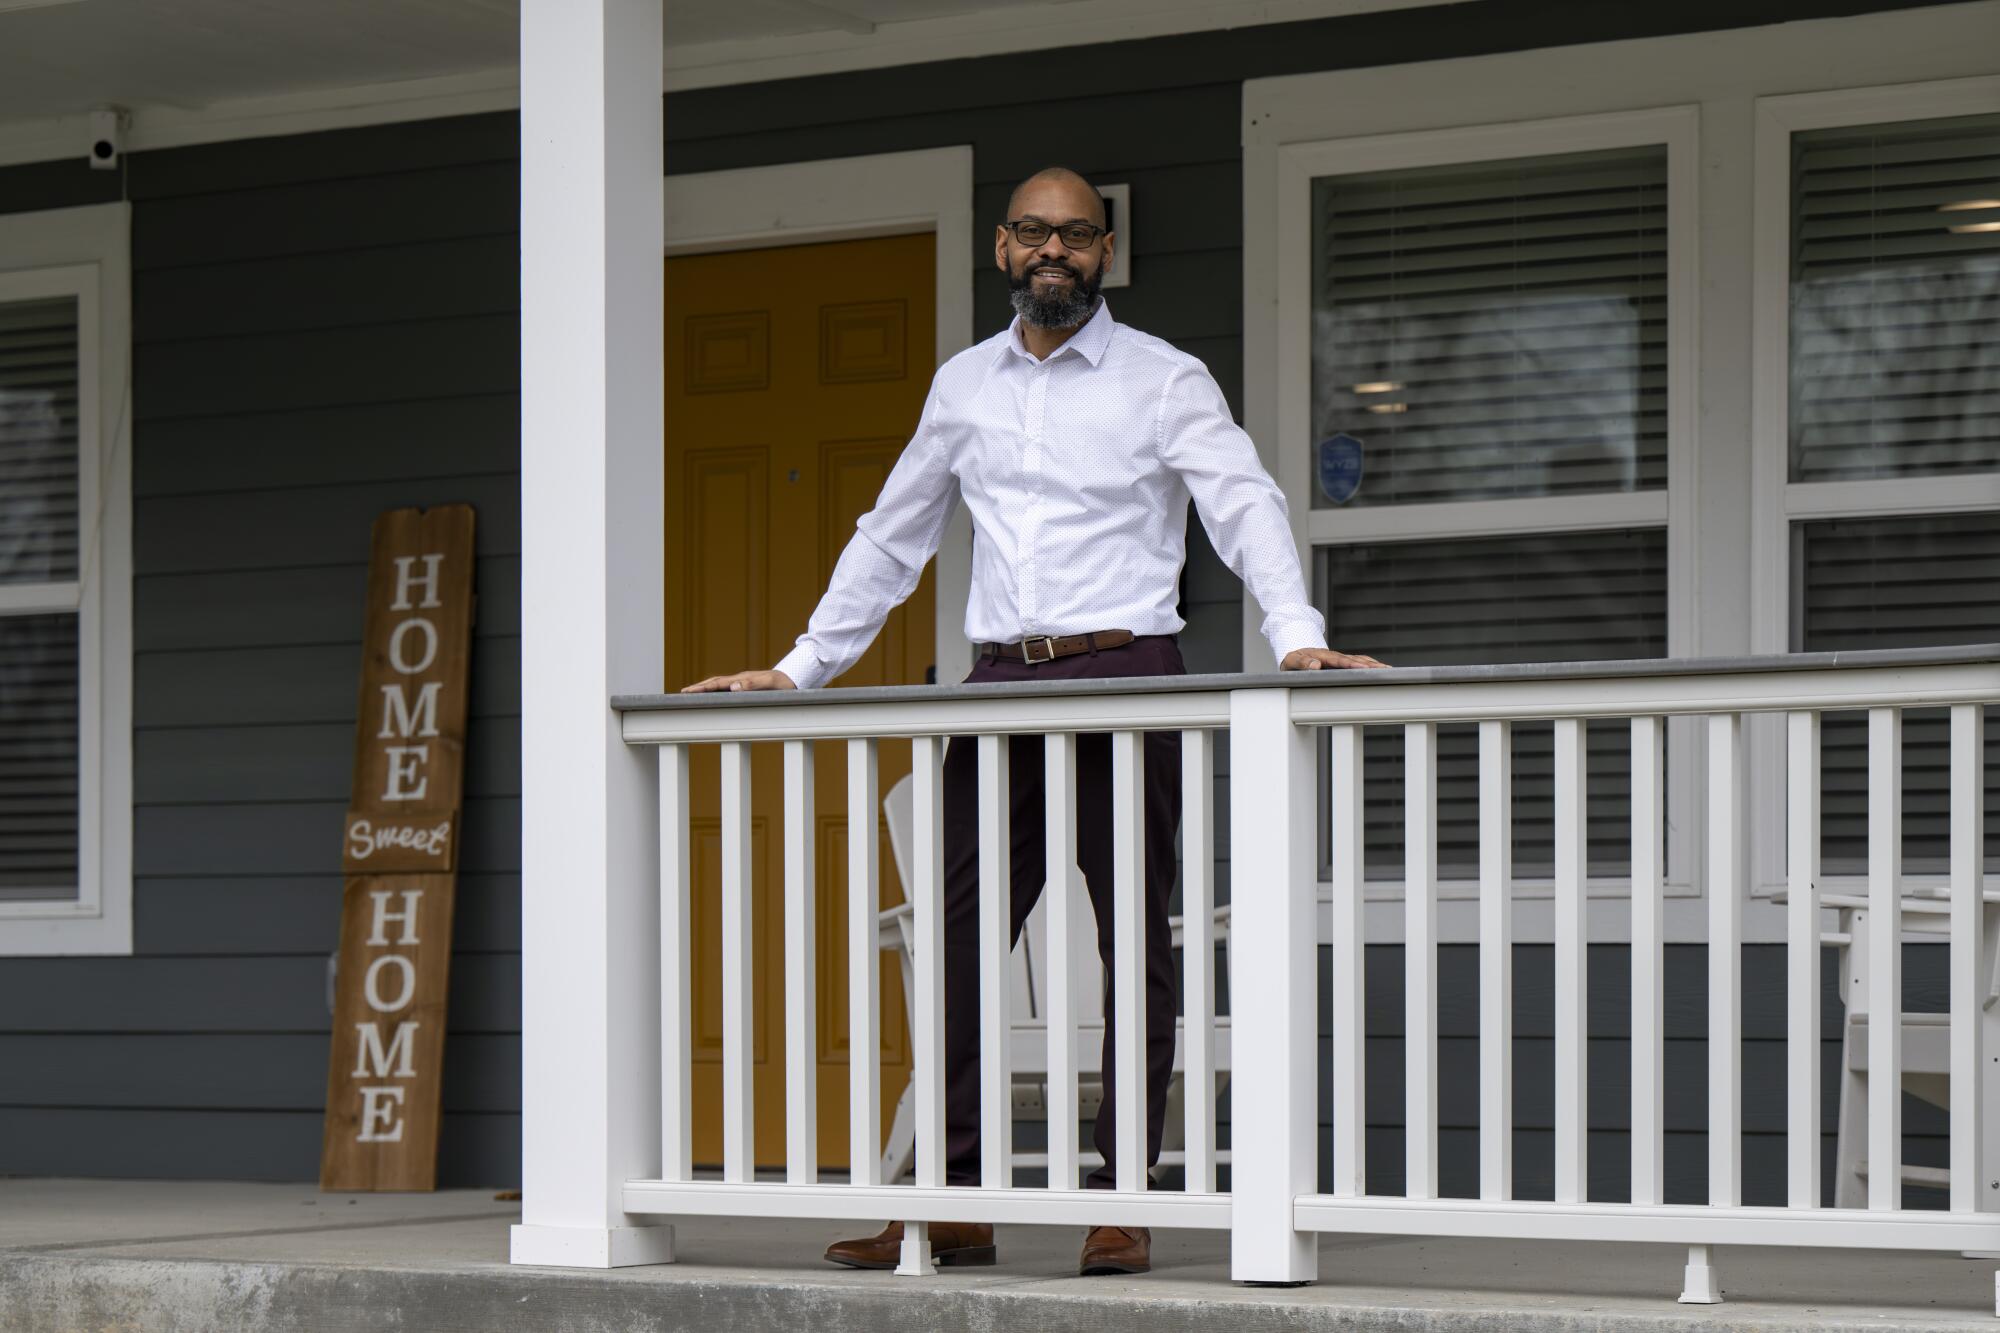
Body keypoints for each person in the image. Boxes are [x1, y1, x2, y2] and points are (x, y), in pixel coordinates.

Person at [683, 166, 1384, 1276]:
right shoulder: (962, 385)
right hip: (999, 682)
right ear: (1001, 249)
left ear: (1103, 251)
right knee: (958, 942)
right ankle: (954, 1202)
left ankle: (1120, 1199)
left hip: (1130, 673)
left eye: (1073, 234)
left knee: (1129, 948)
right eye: (1030, 232)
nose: (1050, 250)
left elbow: (1241, 501)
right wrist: (800, 668)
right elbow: (891, 533)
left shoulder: (1163, 378)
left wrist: (1292, 631)